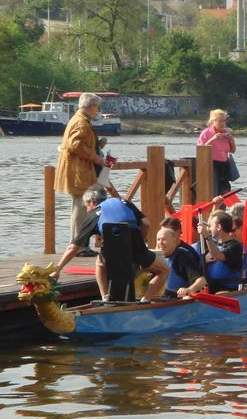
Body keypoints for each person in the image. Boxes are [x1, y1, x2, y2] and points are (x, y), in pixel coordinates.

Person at [53, 188, 168, 303]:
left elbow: (73, 247)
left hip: (111, 250)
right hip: (135, 244)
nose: (87, 210)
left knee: (99, 264)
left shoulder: (94, 214)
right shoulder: (123, 202)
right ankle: (145, 300)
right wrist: (141, 243)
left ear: (92, 202)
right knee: (164, 270)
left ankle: (105, 297)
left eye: (86, 206)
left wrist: (58, 270)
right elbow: (146, 223)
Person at [54, 92, 108, 257]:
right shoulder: (81, 123)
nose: (97, 110)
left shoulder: (79, 120)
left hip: (78, 169)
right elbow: (74, 145)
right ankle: (79, 245)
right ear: (91, 106)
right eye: (97, 107)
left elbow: (79, 143)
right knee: (81, 206)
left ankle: (76, 244)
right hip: (79, 170)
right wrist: (96, 157)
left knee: (80, 205)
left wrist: (96, 144)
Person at [197, 211, 242, 293]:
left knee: (220, 293)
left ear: (218, 227)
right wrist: (204, 260)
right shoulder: (212, 243)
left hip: (227, 289)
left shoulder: (235, 246)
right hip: (209, 287)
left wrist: (207, 236)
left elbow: (218, 256)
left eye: (210, 226)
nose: (209, 229)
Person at [156, 227, 206, 299]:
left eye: (163, 239)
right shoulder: (157, 257)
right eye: (158, 239)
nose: (160, 243)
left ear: (174, 240)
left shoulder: (183, 255)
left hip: (178, 302)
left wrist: (188, 290)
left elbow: (202, 281)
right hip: (160, 301)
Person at [197, 109, 236, 196]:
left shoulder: (226, 132)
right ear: (213, 121)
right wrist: (213, 139)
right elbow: (201, 149)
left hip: (224, 164)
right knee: (214, 190)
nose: (223, 123)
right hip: (211, 164)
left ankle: (222, 209)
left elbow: (233, 151)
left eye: (224, 121)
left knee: (225, 191)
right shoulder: (206, 133)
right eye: (220, 121)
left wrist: (231, 140)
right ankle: (213, 208)